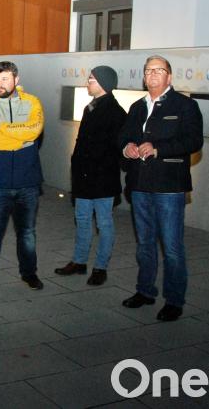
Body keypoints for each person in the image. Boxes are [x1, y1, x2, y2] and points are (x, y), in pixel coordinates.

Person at [119, 55, 203, 322]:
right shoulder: (136, 107)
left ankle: (174, 300)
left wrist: (158, 149)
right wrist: (127, 147)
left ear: (169, 76)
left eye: (159, 70)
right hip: (140, 185)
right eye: (148, 70)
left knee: (172, 246)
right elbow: (123, 138)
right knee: (144, 243)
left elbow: (193, 141)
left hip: (169, 185)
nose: (153, 74)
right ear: (143, 76)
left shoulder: (185, 106)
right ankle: (145, 291)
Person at [0, 61, 45, 291]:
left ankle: (29, 273)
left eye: (4, 79)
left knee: (27, 233)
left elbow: (34, 130)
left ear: (16, 79)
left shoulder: (32, 102)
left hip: (28, 181)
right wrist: (20, 139)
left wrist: (2, 127)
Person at [55, 66, 126, 286]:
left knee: (104, 223)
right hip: (84, 178)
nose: (88, 82)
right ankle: (79, 261)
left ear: (104, 83)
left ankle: (100, 267)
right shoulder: (90, 108)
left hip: (102, 180)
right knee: (83, 220)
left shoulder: (116, 112)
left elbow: (115, 150)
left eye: (92, 79)